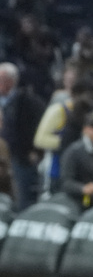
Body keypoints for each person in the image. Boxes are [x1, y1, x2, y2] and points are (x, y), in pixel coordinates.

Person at [0, 63, 45, 210]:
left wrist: (36, 150)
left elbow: (38, 126)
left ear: (11, 81)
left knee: (22, 197)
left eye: (2, 79)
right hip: (2, 155)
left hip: (20, 157)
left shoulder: (28, 101)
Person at [59, 110, 93, 209]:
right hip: (80, 203)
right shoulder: (74, 151)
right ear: (85, 129)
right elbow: (65, 183)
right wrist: (83, 188)